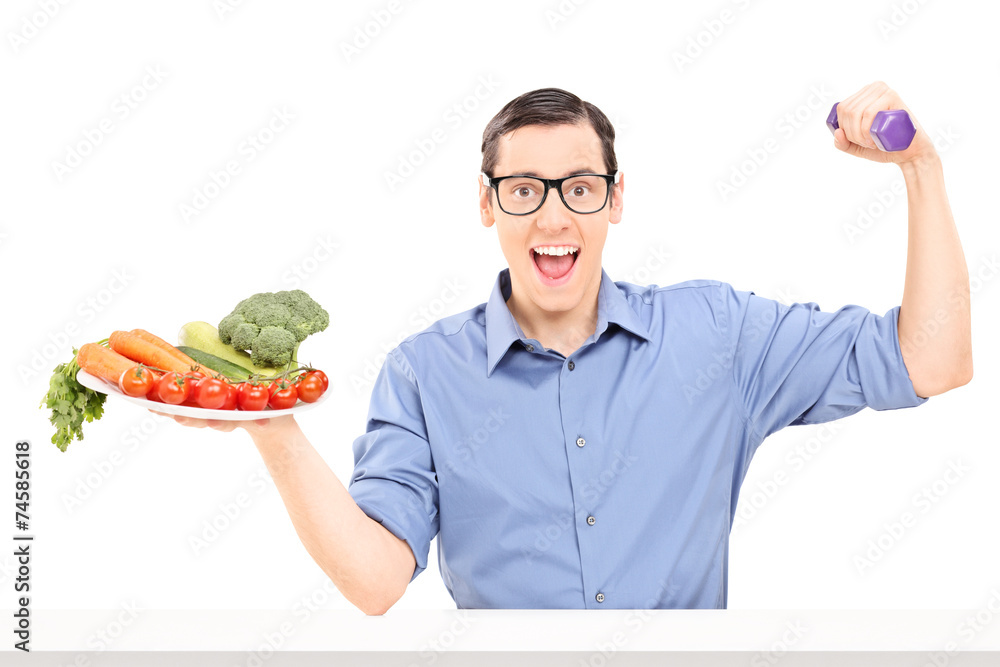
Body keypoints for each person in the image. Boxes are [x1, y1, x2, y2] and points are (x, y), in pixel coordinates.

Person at [160, 84, 972, 614]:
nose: (553, 218)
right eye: (524, 191)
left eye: (579, 187)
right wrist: (274, 428)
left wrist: (921, 170)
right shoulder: (423, 374)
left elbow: (934, 359)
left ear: (616, 199)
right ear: (489, 205)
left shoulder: (716, 336)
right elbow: (375, 581)